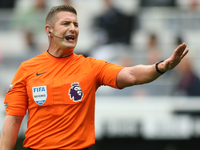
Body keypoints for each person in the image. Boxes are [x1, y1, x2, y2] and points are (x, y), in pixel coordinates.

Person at [0, 5, 189, 150]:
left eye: (76, 24)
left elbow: (131, 75)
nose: (73, 28)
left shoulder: (90, 66)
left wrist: (161, 67)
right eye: (66, 24)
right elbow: (13, 119)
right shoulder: (27, 69)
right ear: (49, 30)